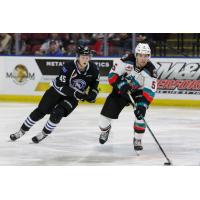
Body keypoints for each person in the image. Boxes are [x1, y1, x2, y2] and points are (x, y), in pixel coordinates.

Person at [10, 45, 100, 143]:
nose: (85, 60)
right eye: (83, 57)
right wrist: (78, 94)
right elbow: (62, 85)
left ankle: (44, 134)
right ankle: (21, 131)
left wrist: (93, 94)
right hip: (57, 91)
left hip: (72, 98)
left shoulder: (94, 69)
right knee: (40, 111)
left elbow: (94, 84)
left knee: (58, 113)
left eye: (87, 57)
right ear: (77, 57)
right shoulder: (67, 67)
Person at [98, 43, 157, 152]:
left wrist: (143, 106)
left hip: (138, 92)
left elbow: (150, 91)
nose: (143, 58)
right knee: (103, 120)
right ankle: (105, 130)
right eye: (140, 55)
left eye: (146, 56)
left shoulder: (151, 70)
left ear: (149, 56)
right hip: (121, 90)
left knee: (141, 115)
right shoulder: (126, 60)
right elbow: (112, 76)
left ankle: (138, 139)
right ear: (136, 55)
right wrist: (121, 85)